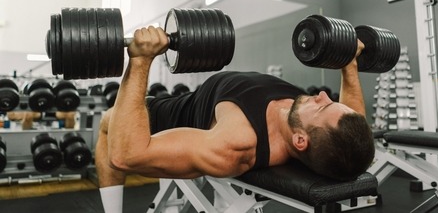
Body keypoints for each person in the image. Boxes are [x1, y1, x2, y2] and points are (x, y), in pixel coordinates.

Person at [96, 26, 375, 213]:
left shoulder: (235, 145)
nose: (324, 95)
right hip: (208, 94)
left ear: (300, 140)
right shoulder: (319, 129)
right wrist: (349, 64)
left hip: (175, 111)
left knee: (108, 124)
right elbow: (354, 119)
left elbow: (126, 155)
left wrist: (141, 60)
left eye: (324, 107)